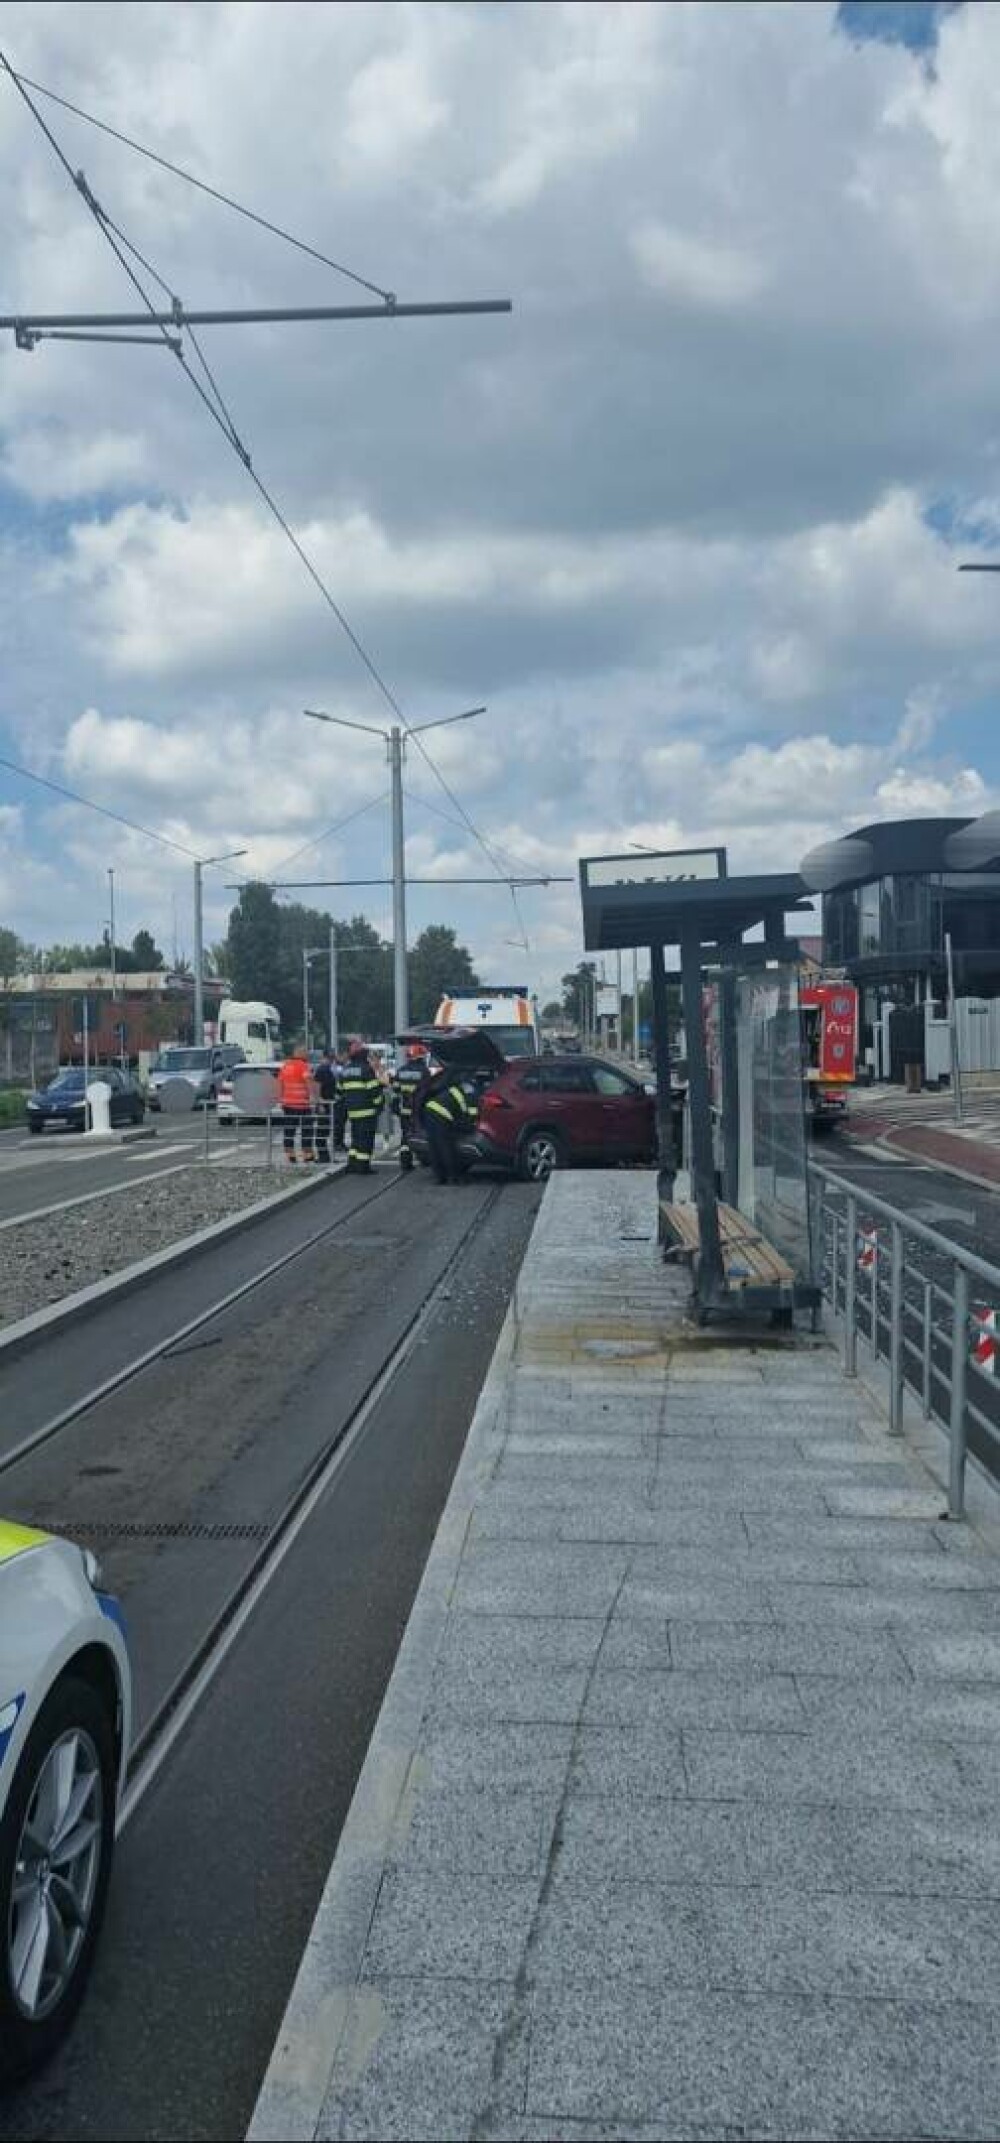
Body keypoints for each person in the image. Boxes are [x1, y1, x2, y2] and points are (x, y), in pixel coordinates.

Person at [420, 1060, 476, 1185]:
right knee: (446, 1146)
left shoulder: (454, 1087)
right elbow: (470, 1111)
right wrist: (471, 1124)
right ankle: (453, 1177)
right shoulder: (470, 1092)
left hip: (429, 1110)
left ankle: (440, 1177)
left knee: (434, 1145)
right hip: (441, 1115)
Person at [341, 1040, 385, 1174]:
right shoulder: (366, 1069)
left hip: (352, 1112)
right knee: (365, 1140)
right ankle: (363, 1167)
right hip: (367, 1112)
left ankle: (352, 1165)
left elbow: (340, 1090)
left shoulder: (346, 1069)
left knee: (356, 1140)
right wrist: (379, 1105)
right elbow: (374, 1091)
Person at [276, 1039, 314, 1163]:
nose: (307, 1054)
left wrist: (281, 1100)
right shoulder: (303, 1065)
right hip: (302, 1104)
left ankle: (290, 1155)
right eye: (305, 1051)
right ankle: (307, 1155)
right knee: (307, 1130)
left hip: (288, 1104)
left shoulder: (285, 1066)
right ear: (298, 1052)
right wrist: (314, 1099)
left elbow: (280, 1084)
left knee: (289, 1130)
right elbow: (308, 1082)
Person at [392, 1042, 428, 1171]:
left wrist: (395, 1107)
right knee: (421, 1134)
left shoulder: (400, 1071)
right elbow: (426, 1092)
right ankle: (424, 1158)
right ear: (420, 1057)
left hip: (404, 1110)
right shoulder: (424, 1071)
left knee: (405, 1136)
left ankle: (405, 1162)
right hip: (418, 1111)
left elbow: (395, 1091)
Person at [312, 1046, 340, 1165]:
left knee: (326, 1130)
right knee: (322, 1131)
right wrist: (320, 1102)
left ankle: (326, 1156)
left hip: (328, 1104)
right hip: (324, 1105)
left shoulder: (327, 1069)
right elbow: (317, 1087)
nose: (333, 1059)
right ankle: (323, 1156)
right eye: (332, 1057)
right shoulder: (322, 1069)